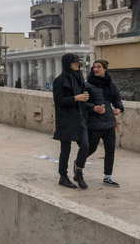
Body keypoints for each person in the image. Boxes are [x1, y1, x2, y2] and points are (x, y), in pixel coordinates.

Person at [52, 53, 90, 189]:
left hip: (80, 117)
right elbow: (58, 101)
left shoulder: (79, 78)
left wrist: (84, 98)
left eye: (78, 62)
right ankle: (63, 176)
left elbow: (83, 95)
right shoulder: (59, 81)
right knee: (65, 150)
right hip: (67, 119)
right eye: (74, 62)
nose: (77, 64)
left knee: (85, 145)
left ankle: (78, 172)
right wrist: (75, 98)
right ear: (67, 63)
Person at [85, 60, 124, 187]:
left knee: (110, 150)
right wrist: (93, 107)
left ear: (105, 69)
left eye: (99, 67)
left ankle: (108, 176)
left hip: (109, 122)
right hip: (94, 123)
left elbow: (116, 99)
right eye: (94, 67)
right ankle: (78, 164)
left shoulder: (110, 84)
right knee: (91, 148)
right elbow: (82, 103)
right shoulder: (87, 85)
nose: (96, 69)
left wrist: (119, 108)